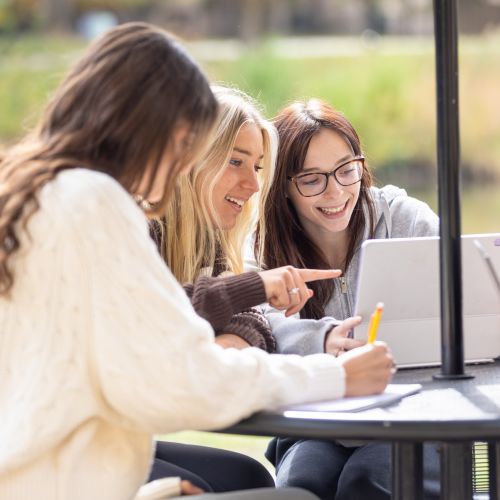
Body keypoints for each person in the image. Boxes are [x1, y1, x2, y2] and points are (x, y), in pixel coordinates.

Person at [0, 23, 394, 500]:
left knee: (250, 480)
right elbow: (181, 379)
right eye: (188, 142)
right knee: (295, 498)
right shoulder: (92, 202)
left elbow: (130, 376)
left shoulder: (32, 194)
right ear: (155, 126)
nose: (184, 163)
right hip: (57, 482)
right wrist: (336, 376)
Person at [252, 99, 440, 500]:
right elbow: (256, 320)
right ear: (282, 184)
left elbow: (468, 289)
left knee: (366, 483)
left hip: (408, 416)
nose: (335, 190)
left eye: (345, 169)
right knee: (303, 487)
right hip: (316, 417)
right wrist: (319, 339)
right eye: (312, 179)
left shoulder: (406, 219)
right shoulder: (260, 239)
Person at [149, 85, 283, 491]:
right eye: (235, 161)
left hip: (123, 433)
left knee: (253, 477)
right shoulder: (139, 225)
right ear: (192, 160)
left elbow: (253, 321)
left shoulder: (205, 237)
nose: (253, 184)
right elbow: (159, 319)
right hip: (65, 440)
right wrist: (251, 288)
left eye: (257, 167)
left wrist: (228, 342)